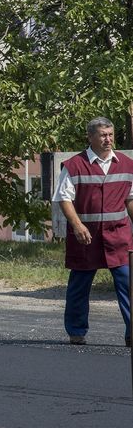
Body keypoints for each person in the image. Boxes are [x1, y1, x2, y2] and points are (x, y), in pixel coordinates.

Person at [53, 116, 132, 347]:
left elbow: (130, 199)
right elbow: (64, 198)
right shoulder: (74, 165)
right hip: (85, 238)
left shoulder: (128, 165)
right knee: (79, 286)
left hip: (118, 237)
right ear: (90, 137)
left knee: (129, 285)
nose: (108, 140)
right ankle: (76, 332)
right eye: (103, 135)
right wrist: (77, 225)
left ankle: (131, 333)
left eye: (110, 134)